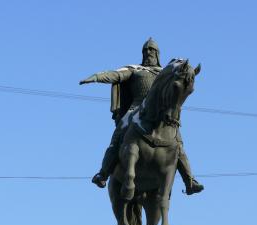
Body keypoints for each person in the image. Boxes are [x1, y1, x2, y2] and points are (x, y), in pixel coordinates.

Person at [79, 38, 204, 196]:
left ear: (157, 54)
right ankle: (103, 173)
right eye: (146, 50)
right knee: (118, 134)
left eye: (152, 50)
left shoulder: (166, 73)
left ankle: (189, 181)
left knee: (177, 142)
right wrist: (96, 77)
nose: (148, 53)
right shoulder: (135, 69)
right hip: (135, 109)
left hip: (161, 113)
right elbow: (115, 75)